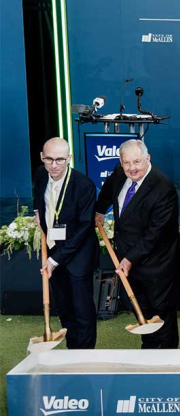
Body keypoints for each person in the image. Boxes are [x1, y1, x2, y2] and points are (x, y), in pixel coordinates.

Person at [95, 140, 180, 348]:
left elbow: (155, 234)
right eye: (126, 163)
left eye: (137, 162)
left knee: (160, 311)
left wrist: (130, 258)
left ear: (147, 159)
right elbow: (108, 190)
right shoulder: (120, 172)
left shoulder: (163, 187)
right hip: (127, 256)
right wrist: (99, 210)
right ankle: (149, 349)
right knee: (140, 308)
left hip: (156, 262)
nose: (132, 168)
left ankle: (166, 355)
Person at [33, 138, 99, 349]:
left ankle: (85, 356)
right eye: (49, 159)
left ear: (69, 158)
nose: (54, 165)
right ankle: (72, 350)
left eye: (60, 160)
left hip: (78, 255)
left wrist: (54, 260)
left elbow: (84, 228)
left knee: (83, 311)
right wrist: (38, 212)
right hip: (54, 248)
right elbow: (39, 196)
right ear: (42, 157)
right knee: (65, 308)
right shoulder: (41, 173)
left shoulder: (83, 185)